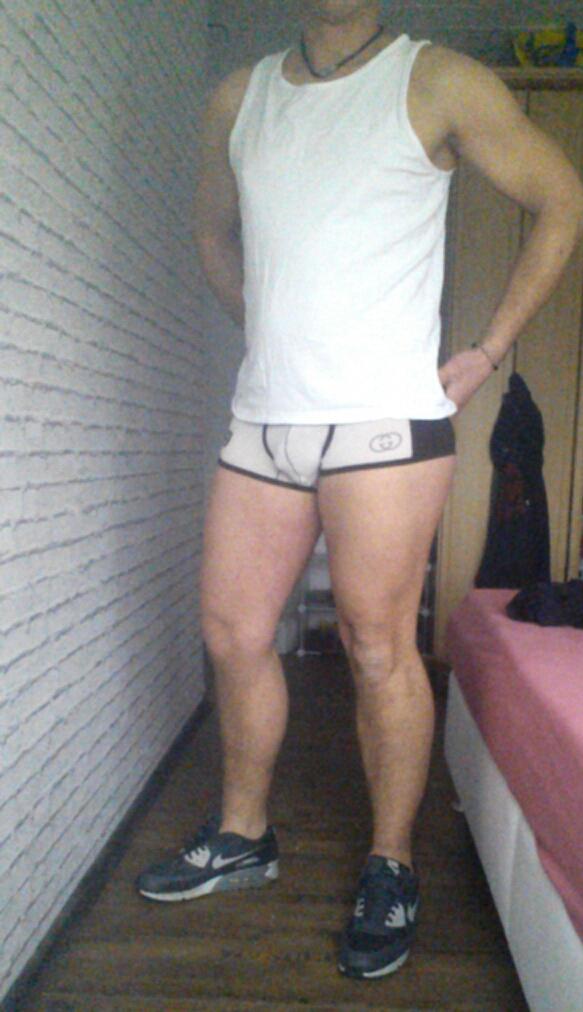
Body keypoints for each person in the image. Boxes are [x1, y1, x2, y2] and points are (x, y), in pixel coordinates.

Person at [136, 0, 583, 979]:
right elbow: (213, 235)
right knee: (232, 632)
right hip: (265, 417)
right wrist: (275, 328)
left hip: (387, 423)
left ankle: (390, 863)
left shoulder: (438, 80)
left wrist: (487, 351)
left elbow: (561, 197)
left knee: (376, 643)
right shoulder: (236, 97)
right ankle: (242, 836)